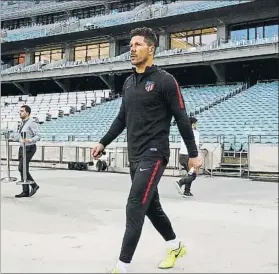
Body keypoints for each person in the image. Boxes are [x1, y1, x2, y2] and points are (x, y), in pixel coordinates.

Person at [92, 27, 202, 273]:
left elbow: (182, 118)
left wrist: (193, 153)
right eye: (130, 45)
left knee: (134, 205)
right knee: (151, 206)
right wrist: (103, 142)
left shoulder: (165, 80)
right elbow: (122, 118)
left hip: (154, 153)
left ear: (151, 49)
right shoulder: (129, 83)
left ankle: (122, 267)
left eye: (138, 44)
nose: (132, 48)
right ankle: (175, 246)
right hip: (135, 153)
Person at [10, 105, 41, 198]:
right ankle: (26, 191)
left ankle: (34, 185)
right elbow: (19, 136)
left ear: (27, 113)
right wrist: (13, 137)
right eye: (20, 111)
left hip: (29, 148)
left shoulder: (32, 123)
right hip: (22, 147)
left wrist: (29, 140)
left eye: (22, 111)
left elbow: (38, 136)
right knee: (23, 169)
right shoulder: (20, 123)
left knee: (21, 168)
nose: (20, 112)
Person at [174, 117, 200, 198]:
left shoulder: (184, 131)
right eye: (195, 123)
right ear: (192, 124)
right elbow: (196, 145)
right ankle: (180, 182)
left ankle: (187, 191)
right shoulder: (196, 133)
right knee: (193, 175)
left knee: (190, 173)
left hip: (181, 155)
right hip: (189, 157)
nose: (196, 125)